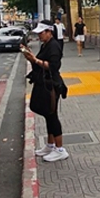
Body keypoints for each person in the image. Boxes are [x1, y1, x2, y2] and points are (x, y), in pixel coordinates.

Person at [23, 22, 68, 162]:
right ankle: (50, 145)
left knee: (52, 115)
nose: (39, 35)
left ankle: (60, 149)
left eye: (41, 33)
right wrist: (31, 57)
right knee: (48, 115)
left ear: (49, 32)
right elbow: (40, 62)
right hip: (44, 82)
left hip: (52, 85)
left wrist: (35, 60)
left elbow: (53, 66)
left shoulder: (54, 46)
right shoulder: (45, 44)